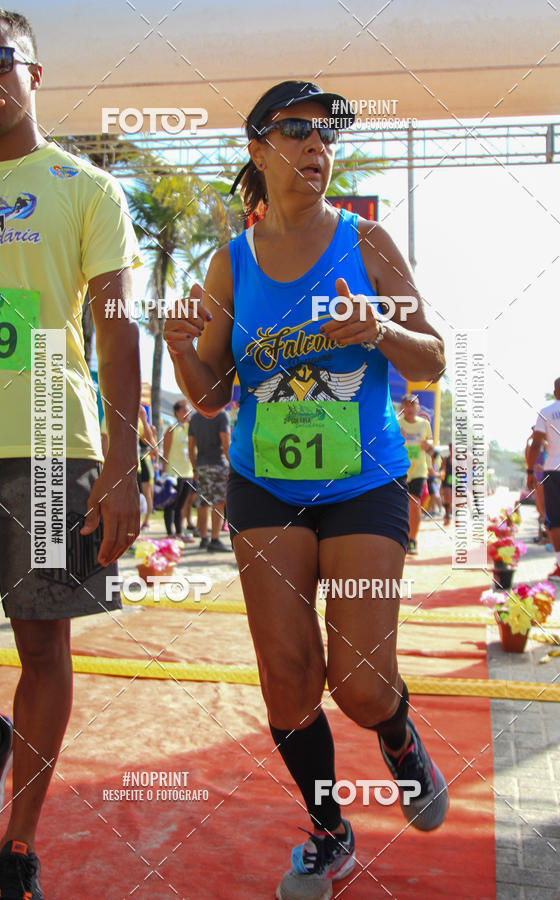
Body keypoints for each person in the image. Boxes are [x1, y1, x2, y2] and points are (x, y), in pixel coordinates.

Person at [165, 80, 448, 900]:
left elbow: (428, 359)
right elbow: (213, 393)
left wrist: (380, 330)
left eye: (326, 135)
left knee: (359, 683)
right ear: (258, 148)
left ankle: (397, 738)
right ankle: (329, 830)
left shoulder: (369, 243)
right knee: (288, 681)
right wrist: (185, 352)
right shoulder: (232, 260)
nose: (317, 147)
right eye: (297, 132)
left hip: (363, 482)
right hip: (265, 486)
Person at [0, 6, 141, 898]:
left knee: (41, 646)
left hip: (41, 429)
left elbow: (116, 327)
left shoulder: (85, 187)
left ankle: (19, 846)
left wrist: (122, 465)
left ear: (36, 73)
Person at [527, 378, 560, 578]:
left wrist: (530, 471)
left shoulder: (546, 412)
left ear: (555, 391)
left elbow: (536, 444)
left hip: (553, 469)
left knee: (555, 519)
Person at [188, 409, 231, 551]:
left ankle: (204, 538)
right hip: (218, 463)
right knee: (218, 502)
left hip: (201, 464)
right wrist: (232, 465)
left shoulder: (194, 417)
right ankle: (215, 539)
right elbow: (226, 444)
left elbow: (190, 446)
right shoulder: (221, 415)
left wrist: (194, 468)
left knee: (203, 502)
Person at [398, 394, 433, 554]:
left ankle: (412, 540)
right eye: (407, 405)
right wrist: (398, 439)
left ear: (418, 408)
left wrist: (429, 445)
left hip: (419, 470)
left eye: (413, 405)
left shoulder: (424, 424)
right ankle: (401, 537)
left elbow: (431, 443)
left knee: (414, 504)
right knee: (400, 506)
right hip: (401, 470)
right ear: (402, 408)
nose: (410, 408)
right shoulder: (397, 424)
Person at [162, 399, 195, 542]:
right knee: (170, 504)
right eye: (184, 410)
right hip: (173, 472)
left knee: (181, 505)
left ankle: (180, 532)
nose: (187, 413)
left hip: (188, 472)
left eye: (188, 410)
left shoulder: (190, 428)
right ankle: (170, 533)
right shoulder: (171, 429)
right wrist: (163, 473)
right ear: (176, 412)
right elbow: (165, 452)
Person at [525, 428, 547, 544]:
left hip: (547, 478)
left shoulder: (547, 446)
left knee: (544, 508)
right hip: (537, 478)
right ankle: (542, 535)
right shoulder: (532, 447)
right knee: (540, 509)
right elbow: (527, 457)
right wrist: (529, 440)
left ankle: (546, 536)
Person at [137, 403, 157, 529]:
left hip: (145, 463)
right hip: (138, 462)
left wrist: (144, 422)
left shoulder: (148, 427)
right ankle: (140, 520)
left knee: (147, 493)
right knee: (139, 494)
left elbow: (154, 447)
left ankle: (147, 520)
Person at [442, 442, 453, 525]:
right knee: (447, 497)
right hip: (447, 479)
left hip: (456, 479)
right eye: (450, 448)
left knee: (453, 498)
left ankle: (451, 513)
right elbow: (441, 468)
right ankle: (447, 515)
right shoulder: (446, 459)